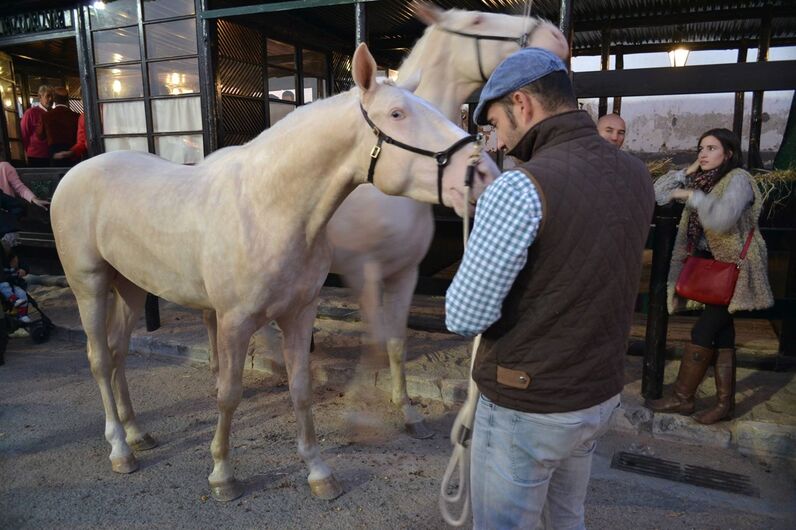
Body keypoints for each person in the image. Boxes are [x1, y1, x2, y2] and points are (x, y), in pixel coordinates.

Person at [445, 48, 654, 529]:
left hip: (529, 401)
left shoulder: (519, 187)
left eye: (495, 122)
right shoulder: (637, 175)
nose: (497, 138)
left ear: (523, 104)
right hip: (595, 395)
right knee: (566, 518)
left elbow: (464, 316)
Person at [646, 128, 773, 424]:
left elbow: (722, 220)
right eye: (700, 148)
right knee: (723, 334)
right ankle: (723, 404)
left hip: (734, 269)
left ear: (728, 153)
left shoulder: (738, 179)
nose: (703, 153)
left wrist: (694, 196)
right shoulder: (702, 177)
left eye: (712, 148)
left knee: (702, 333)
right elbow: (658, 194)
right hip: (712, 269)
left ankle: (682, 398)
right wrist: (686, 172)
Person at [35, 87, 79, 167]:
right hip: (72, 153)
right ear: (67, 99)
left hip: (54, 154)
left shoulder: (46, 116)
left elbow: (40, 135)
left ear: (54, 99)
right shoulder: (76, 116)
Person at [20, 85, 53, 167]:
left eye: (52, 96)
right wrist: (24, 154)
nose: (51, 99)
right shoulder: (30, 113)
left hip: (52, 156)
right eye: (48, 96)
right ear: (39, 97)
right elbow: (24, 134)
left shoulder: (54, 114)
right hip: (35, 156)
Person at [0, 247, 31, 324]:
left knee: (22, 294)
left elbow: (23, 264)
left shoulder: (14, 254)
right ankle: (13, 300)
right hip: (3, 283)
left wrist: (22, 269)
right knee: (4, 285)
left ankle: (22, 315)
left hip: (12, 283)